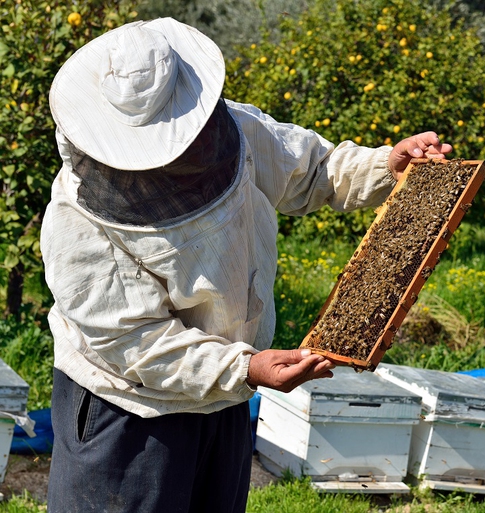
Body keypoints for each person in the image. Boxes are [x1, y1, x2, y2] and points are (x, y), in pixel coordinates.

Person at [41, 16, 451, 513]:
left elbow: (313, 170)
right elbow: (137, 342)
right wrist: (247, 367)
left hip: (225, 399)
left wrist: (387, 165)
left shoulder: (234, 129)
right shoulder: (76, 221)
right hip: (131, 410)